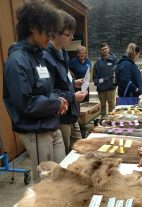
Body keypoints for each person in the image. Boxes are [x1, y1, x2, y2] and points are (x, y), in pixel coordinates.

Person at [3, 1, 67, 182]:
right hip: (36, 131)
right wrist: (55, 103)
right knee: (45, 183)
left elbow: (44, 91)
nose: (51, 36)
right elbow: (26, 104)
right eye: (47, 31)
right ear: (31, 27)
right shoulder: (17, 61)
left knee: (61, 178)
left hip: (50, 125)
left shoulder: (38, 56)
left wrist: (57, 99)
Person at [43, 10, 87, 155]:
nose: (72, 38)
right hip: (61, 117)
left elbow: (64, 80)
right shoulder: (45, 58)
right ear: (55, 33)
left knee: (79, 151)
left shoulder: (63, 53)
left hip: (72, 113)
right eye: (69, 34)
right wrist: (73, 96)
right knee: (66, 156)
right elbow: (49, 92)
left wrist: (74, 83)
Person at [93, 42, 117, 116]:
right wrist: (97, 82)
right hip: (101, 89)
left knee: (112, 105)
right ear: (101, 51)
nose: (104, 51)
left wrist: (115, 83)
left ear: (108, 49)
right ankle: (103, 120)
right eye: (102, 49)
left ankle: (111, 122)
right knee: (102, 105)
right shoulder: (98, 62)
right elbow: (94, 75)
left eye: (105, 49)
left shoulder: (114, 60)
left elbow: (117, 72)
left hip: (111, 88)